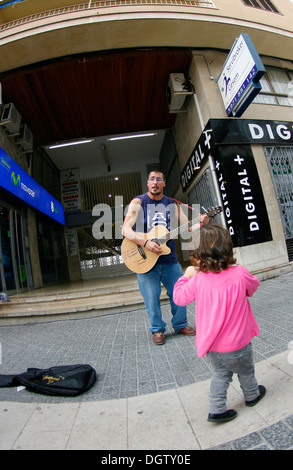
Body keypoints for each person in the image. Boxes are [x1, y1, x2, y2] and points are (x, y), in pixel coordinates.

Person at [173, 223, 266, 423]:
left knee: (220, 375)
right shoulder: (240, 273)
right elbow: (253, 286)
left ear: (197, 255)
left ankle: (216, 409)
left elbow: (179, 298)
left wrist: (185, 276)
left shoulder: (197, 280)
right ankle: (252, 395)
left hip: (214, 347)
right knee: (246, 370)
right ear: (227, 248)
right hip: (239, 344)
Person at [122, 169, 208, 345]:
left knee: (179, 292)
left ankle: (180, 324)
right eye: (152, 179)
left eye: (158, 179)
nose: (155, 182)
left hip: (169, 260)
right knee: (151, 298)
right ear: (148, 183)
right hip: (145, 261)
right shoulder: (138, 202)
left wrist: (201, 223)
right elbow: (125, 229)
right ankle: (158, 330)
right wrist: (145, 243)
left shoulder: (173, 204)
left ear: (164, 183)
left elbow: (188, 228)